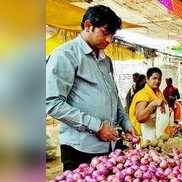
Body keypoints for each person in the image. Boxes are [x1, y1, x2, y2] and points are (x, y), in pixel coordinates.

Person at [46, 5, 134, 171]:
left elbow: (113, 97)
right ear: (88, 26)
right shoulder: (65, 55)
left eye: (112, 35)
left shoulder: (106, 61)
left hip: (110, 148)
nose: (109, 40)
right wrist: (97, 126)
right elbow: (52, 103)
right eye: (105, 32)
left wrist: (126, 122)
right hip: (80, 151)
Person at [129, 67, 168, 140]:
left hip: (153, 133)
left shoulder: (158, 93)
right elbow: (140, 118)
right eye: (154, 78)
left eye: (159, 79)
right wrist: (152, 104)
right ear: (147, 79)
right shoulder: (143, 94)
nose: (157, 81)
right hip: (142, 135)